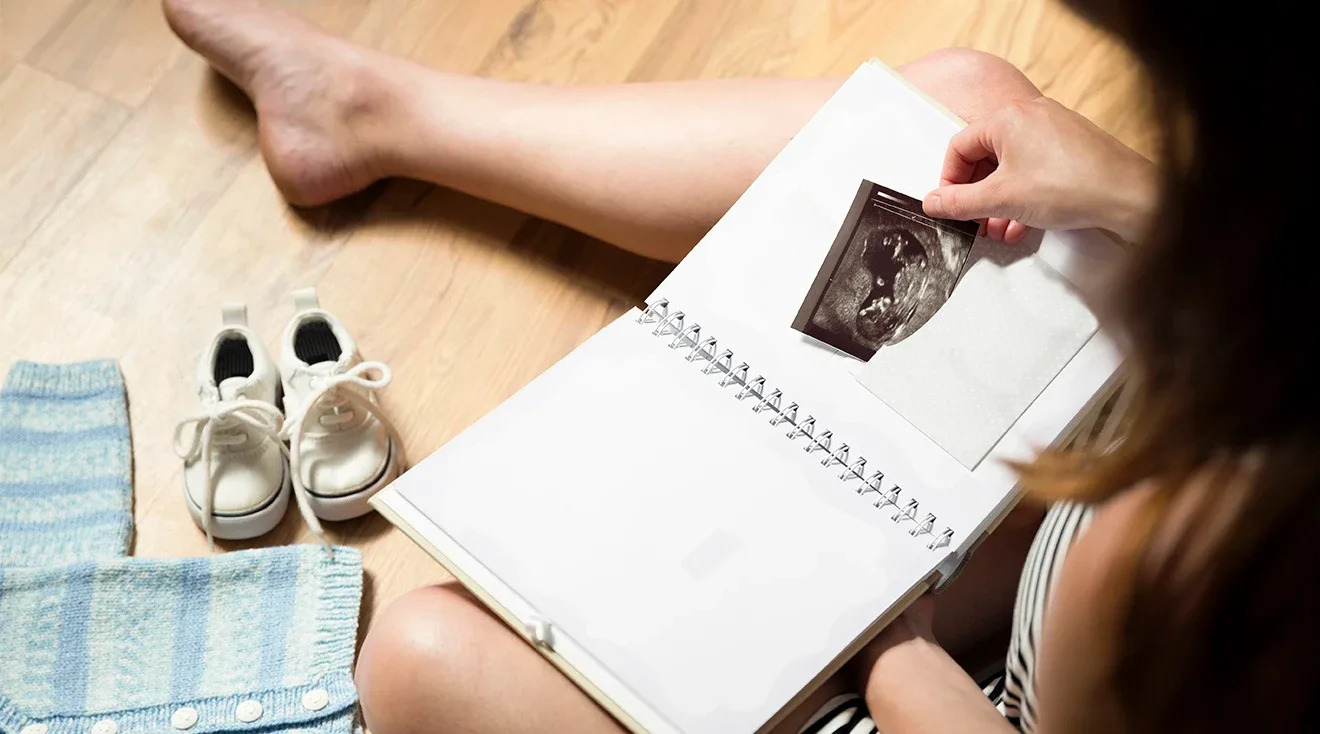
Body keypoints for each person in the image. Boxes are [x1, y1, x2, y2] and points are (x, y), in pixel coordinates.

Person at [164, 0, 1316, 732]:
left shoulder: (1185, 552)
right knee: (960, 110)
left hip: (981, 696)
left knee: (417, 660)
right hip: (1105, 559)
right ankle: (378, 114)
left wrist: (889, 649)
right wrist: (1138, 197)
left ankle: (373, 114)